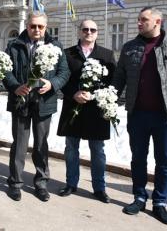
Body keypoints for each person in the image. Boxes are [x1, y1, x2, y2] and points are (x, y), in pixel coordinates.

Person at [112, 6, 167, 225]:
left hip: (165, 117)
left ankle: (160, 203)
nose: (139, 23)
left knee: (163, 161)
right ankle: (139, 197)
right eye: (138, 19)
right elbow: (119, 78)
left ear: (158, 21)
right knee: (138, 158)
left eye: (143, 20)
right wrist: (109, 98)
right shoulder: (130, 48)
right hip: (137, 115)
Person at [3, 11, 69, 202]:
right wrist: (15, 87)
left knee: (41, 145)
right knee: (19, 145)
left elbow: (64, 72)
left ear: (45, 28)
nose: (36, 30)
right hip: (20, 102)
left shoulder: (55, 46)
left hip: (44, 103)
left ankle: (41, 183)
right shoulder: (14, 45)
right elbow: (6, 70)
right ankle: (15, 182)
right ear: (27, 26)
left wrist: (52, 84)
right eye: (33, 26)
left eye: (40, 26)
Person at [57, 20, 116, 203]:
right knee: (71, 149)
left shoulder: (106, 55)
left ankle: (99, 188)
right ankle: (71, 184)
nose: (88, 32)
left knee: (97, 150)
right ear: (79, 32)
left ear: (97, 33)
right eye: (85, 29)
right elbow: (62, 79)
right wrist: (73, 93)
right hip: (72, 108)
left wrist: (97, 96)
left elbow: (113, 82)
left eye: (92, 30)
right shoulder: (68, 54)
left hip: (96, 111)